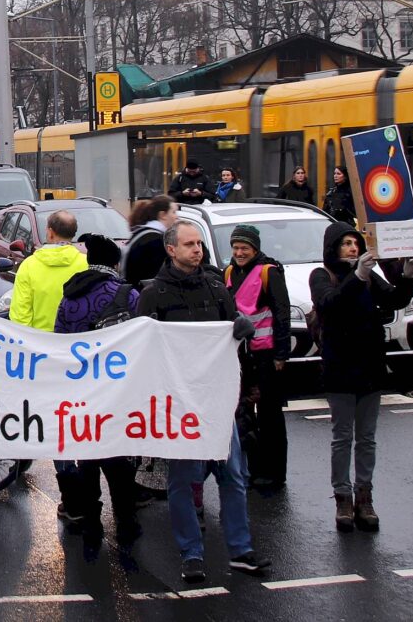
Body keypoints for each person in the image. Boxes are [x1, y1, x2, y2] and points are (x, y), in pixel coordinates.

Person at [137, 223, 270, 583]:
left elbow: (232, 339)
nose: (197, 250)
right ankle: (191, 554)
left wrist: (242, 332)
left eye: (199, 244)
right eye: (189, 244)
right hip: (179, 406)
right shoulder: (154, 295)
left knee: (234, 477)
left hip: (216, 401)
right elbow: (140, 351)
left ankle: (240, 551)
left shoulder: (215, 287)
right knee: (182, 481)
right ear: (170, 249)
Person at [311, 224, 413, 531]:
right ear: (333, 248)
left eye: (355, 243)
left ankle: (365, 495)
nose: (352, 248)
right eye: (346, 244)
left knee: (367, 438)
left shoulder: (368, 275)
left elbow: (395, 299)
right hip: (340, 366)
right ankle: (342, 497)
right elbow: (330, 304)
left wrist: (408, 275)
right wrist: (357, 277)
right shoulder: (322, 275)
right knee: (343, 436)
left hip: (369, 365)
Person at [55, 233, 142, 543]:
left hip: (84, 391)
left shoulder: (70, 296)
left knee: (88, 454)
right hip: (118, 391)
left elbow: (60, 343)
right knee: (119, 455)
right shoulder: (128, 296)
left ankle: (90, 515)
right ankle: (126, 518)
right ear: (115, 263)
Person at [9, 210, 87, 519]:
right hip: (78, 356)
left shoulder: (29, 266)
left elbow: (20, 318)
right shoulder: (83, 264)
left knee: (57, 426)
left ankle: (70, 495)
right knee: (80, 420)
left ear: (50, 232)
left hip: (42, 359)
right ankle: (87, 490)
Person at [222, 224, 292, 491]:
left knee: (269, 413)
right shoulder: (228, 272)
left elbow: (281, 313)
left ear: (255, 249)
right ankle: (253, 468)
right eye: (236, 248)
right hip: (241, 354)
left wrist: (281, 353)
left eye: (245, 248)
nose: (239, 253)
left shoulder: (268, 273)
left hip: (266, 353)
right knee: (244, 413)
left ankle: (275, 472)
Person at [122, 195, 177, 289]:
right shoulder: (156, 241)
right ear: (162, 215)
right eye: (174, 212)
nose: (177, 216)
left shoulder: (141, 234)